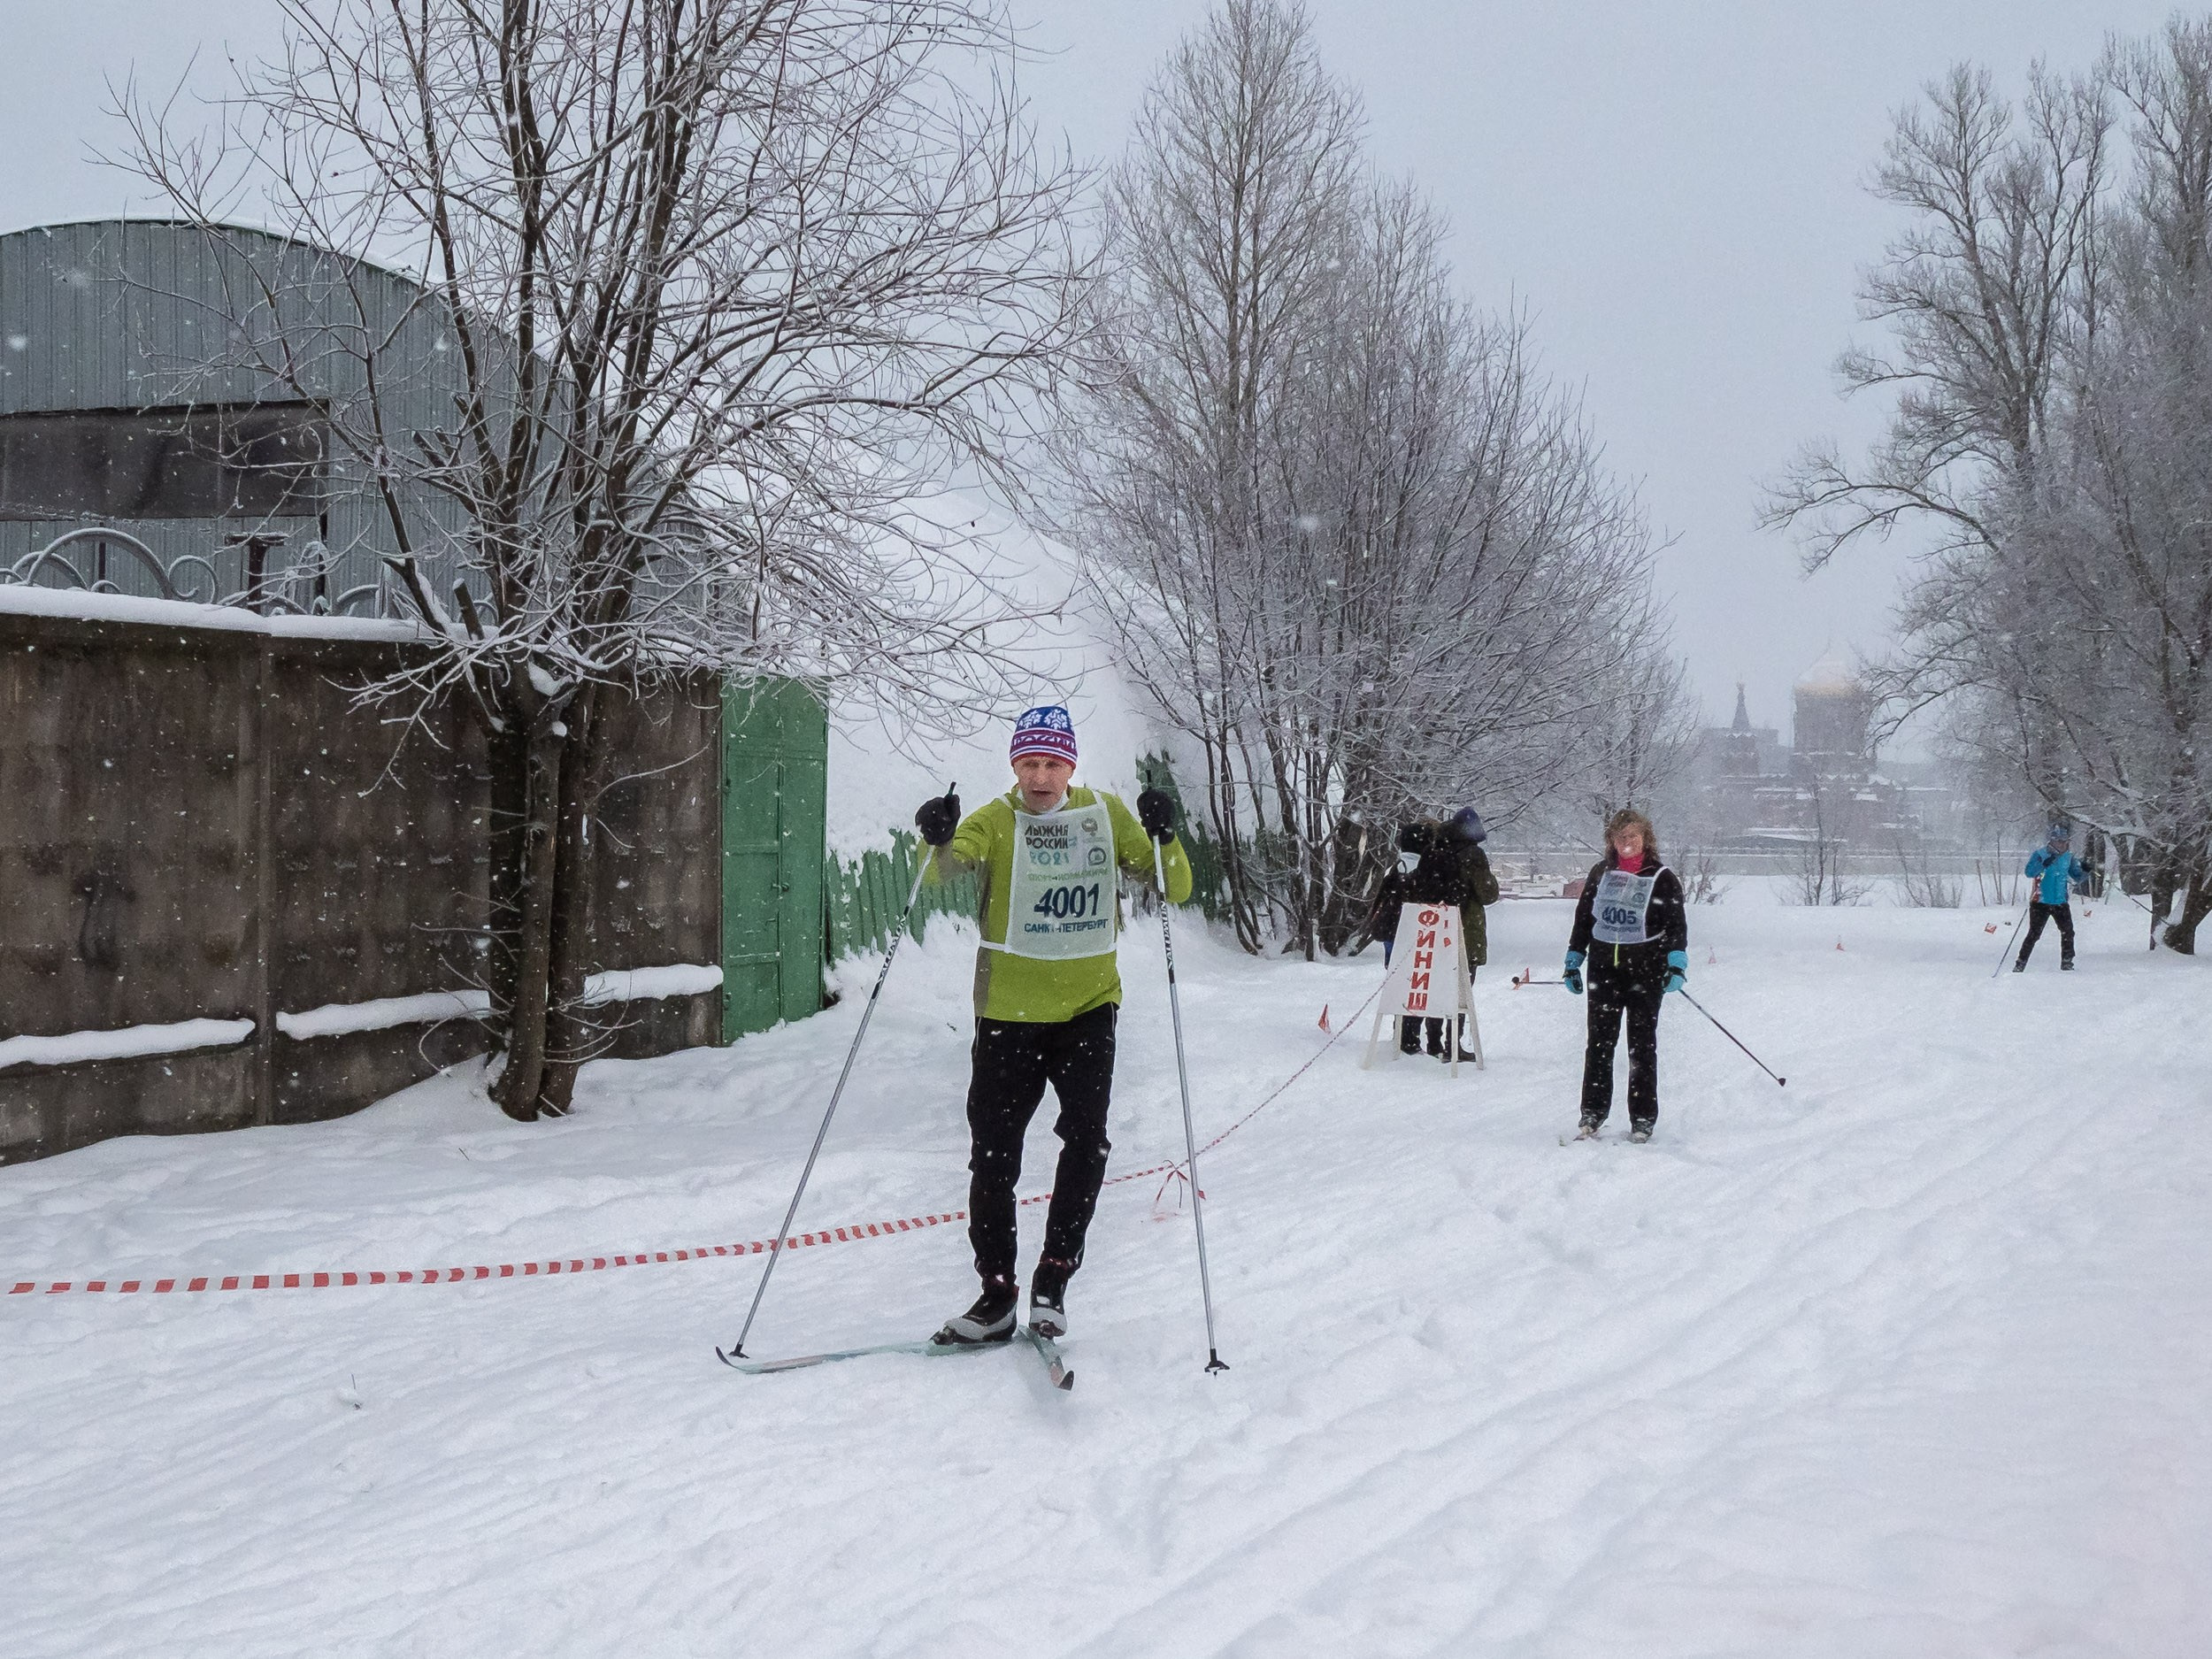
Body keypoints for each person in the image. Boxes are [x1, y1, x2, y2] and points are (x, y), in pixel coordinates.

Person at [912, 705, 1193, 1347]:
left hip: (1089, 1007)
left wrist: (1165, 835)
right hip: (1008, 1014)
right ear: (1015, 766)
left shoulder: (1103, 814)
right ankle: (997, 1293)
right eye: (1029, 763)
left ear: (1072, 765)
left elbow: (1173, 887)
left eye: (1053, 763)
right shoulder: (998, 817)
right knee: (993, 1156)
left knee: (1087, 1143)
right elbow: (939, 873)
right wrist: (935, 834)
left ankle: (1053, 1280)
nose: (1041, 777)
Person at [1563, 808, 1687, 1143]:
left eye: (1633, 835)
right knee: (1599, 1043)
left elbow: (1676, 923)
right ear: (1611, 841)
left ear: (1645, 838)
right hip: (1603, 967)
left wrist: (1676, 962)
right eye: (1620, 837)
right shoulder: (1601, 873)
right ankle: (1593, 1111)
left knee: (1641, 1046)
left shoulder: (1661, 876)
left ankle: (1643, 1117)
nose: (1626, 842)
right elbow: (1584, 916)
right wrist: (1575, 956)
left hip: (1645, 970)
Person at [2015, 824, 2090, 972]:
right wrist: (2043, 864)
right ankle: (2020, 963)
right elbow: (2029, 872)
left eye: (2065, 841)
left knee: (2068, 932)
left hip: (2060, 901)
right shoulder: (2040, 854)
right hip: (2040, 901)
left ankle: (2067, 962)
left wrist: (2086, 871)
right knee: (2034, 934)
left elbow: (2076, 876)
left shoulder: (2068, 857)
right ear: (2052, 841)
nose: (2063, 845)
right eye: (2060, 841)